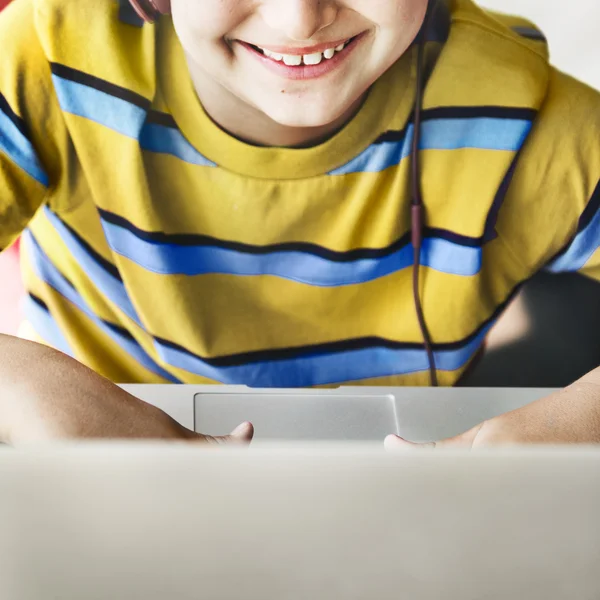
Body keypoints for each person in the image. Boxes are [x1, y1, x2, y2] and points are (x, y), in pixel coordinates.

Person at [0, 0, 599, 447]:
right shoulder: (48, 51)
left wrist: (563, 430)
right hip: (90, 484)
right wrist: (22, 382)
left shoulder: (523, 114)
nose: (298, 21)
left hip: (406, 492)